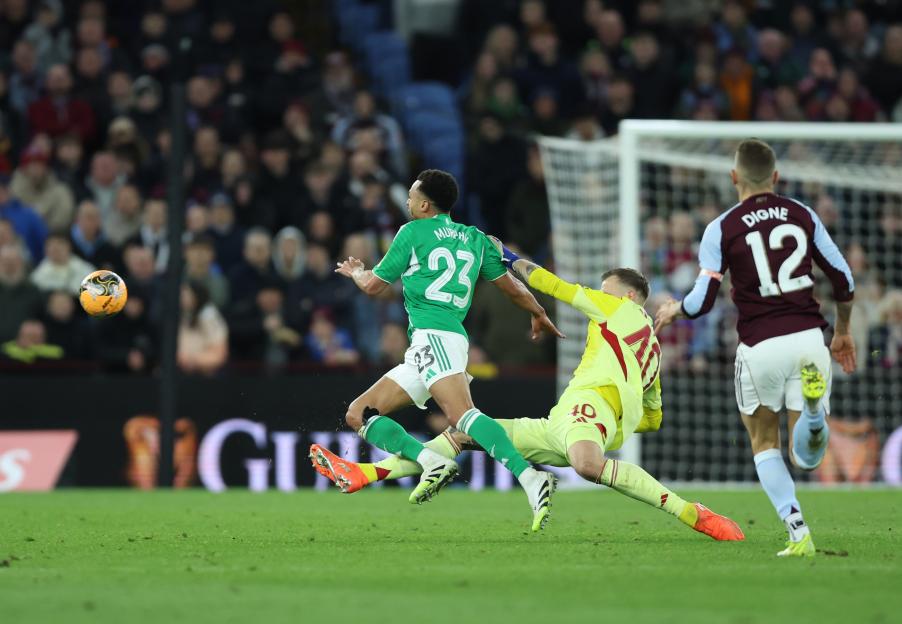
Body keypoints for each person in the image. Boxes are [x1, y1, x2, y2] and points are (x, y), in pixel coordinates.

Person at [313, 260, 743, 542]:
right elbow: (653, 418)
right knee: (463, 435)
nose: (600, 295)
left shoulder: (618, 310)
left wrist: (509, 257)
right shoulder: (652, 352)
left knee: (588, 466)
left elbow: (555, 286)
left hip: (587, 407)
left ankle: (692, 513)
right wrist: (617, 415)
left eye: (607, 291)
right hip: (566, 422)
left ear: (629, 297)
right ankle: (365, 472)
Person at [327, 169, 563, 531]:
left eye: (411, 195)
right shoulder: (475, 238)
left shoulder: (411, 233)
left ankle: (531, 477)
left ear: (424, 205)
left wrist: (358, 273)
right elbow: (511, 286)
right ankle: (431, 462)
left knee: (462, 415)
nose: (407, 201)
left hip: (436, 336)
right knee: (359, 414)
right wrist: (538, 311)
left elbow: (373, 286)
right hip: (430, 344)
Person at [654, 139, 856, 557]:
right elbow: (844, 279)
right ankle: (813, 415)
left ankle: (798, 532)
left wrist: (676, 309)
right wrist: (843, 331)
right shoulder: (802, 214)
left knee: (764, 443)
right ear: (776, 176)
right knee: (807, 458)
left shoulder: (721, 227)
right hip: (809, 339)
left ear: (734, 177)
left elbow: (703, 300)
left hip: (760, 346)